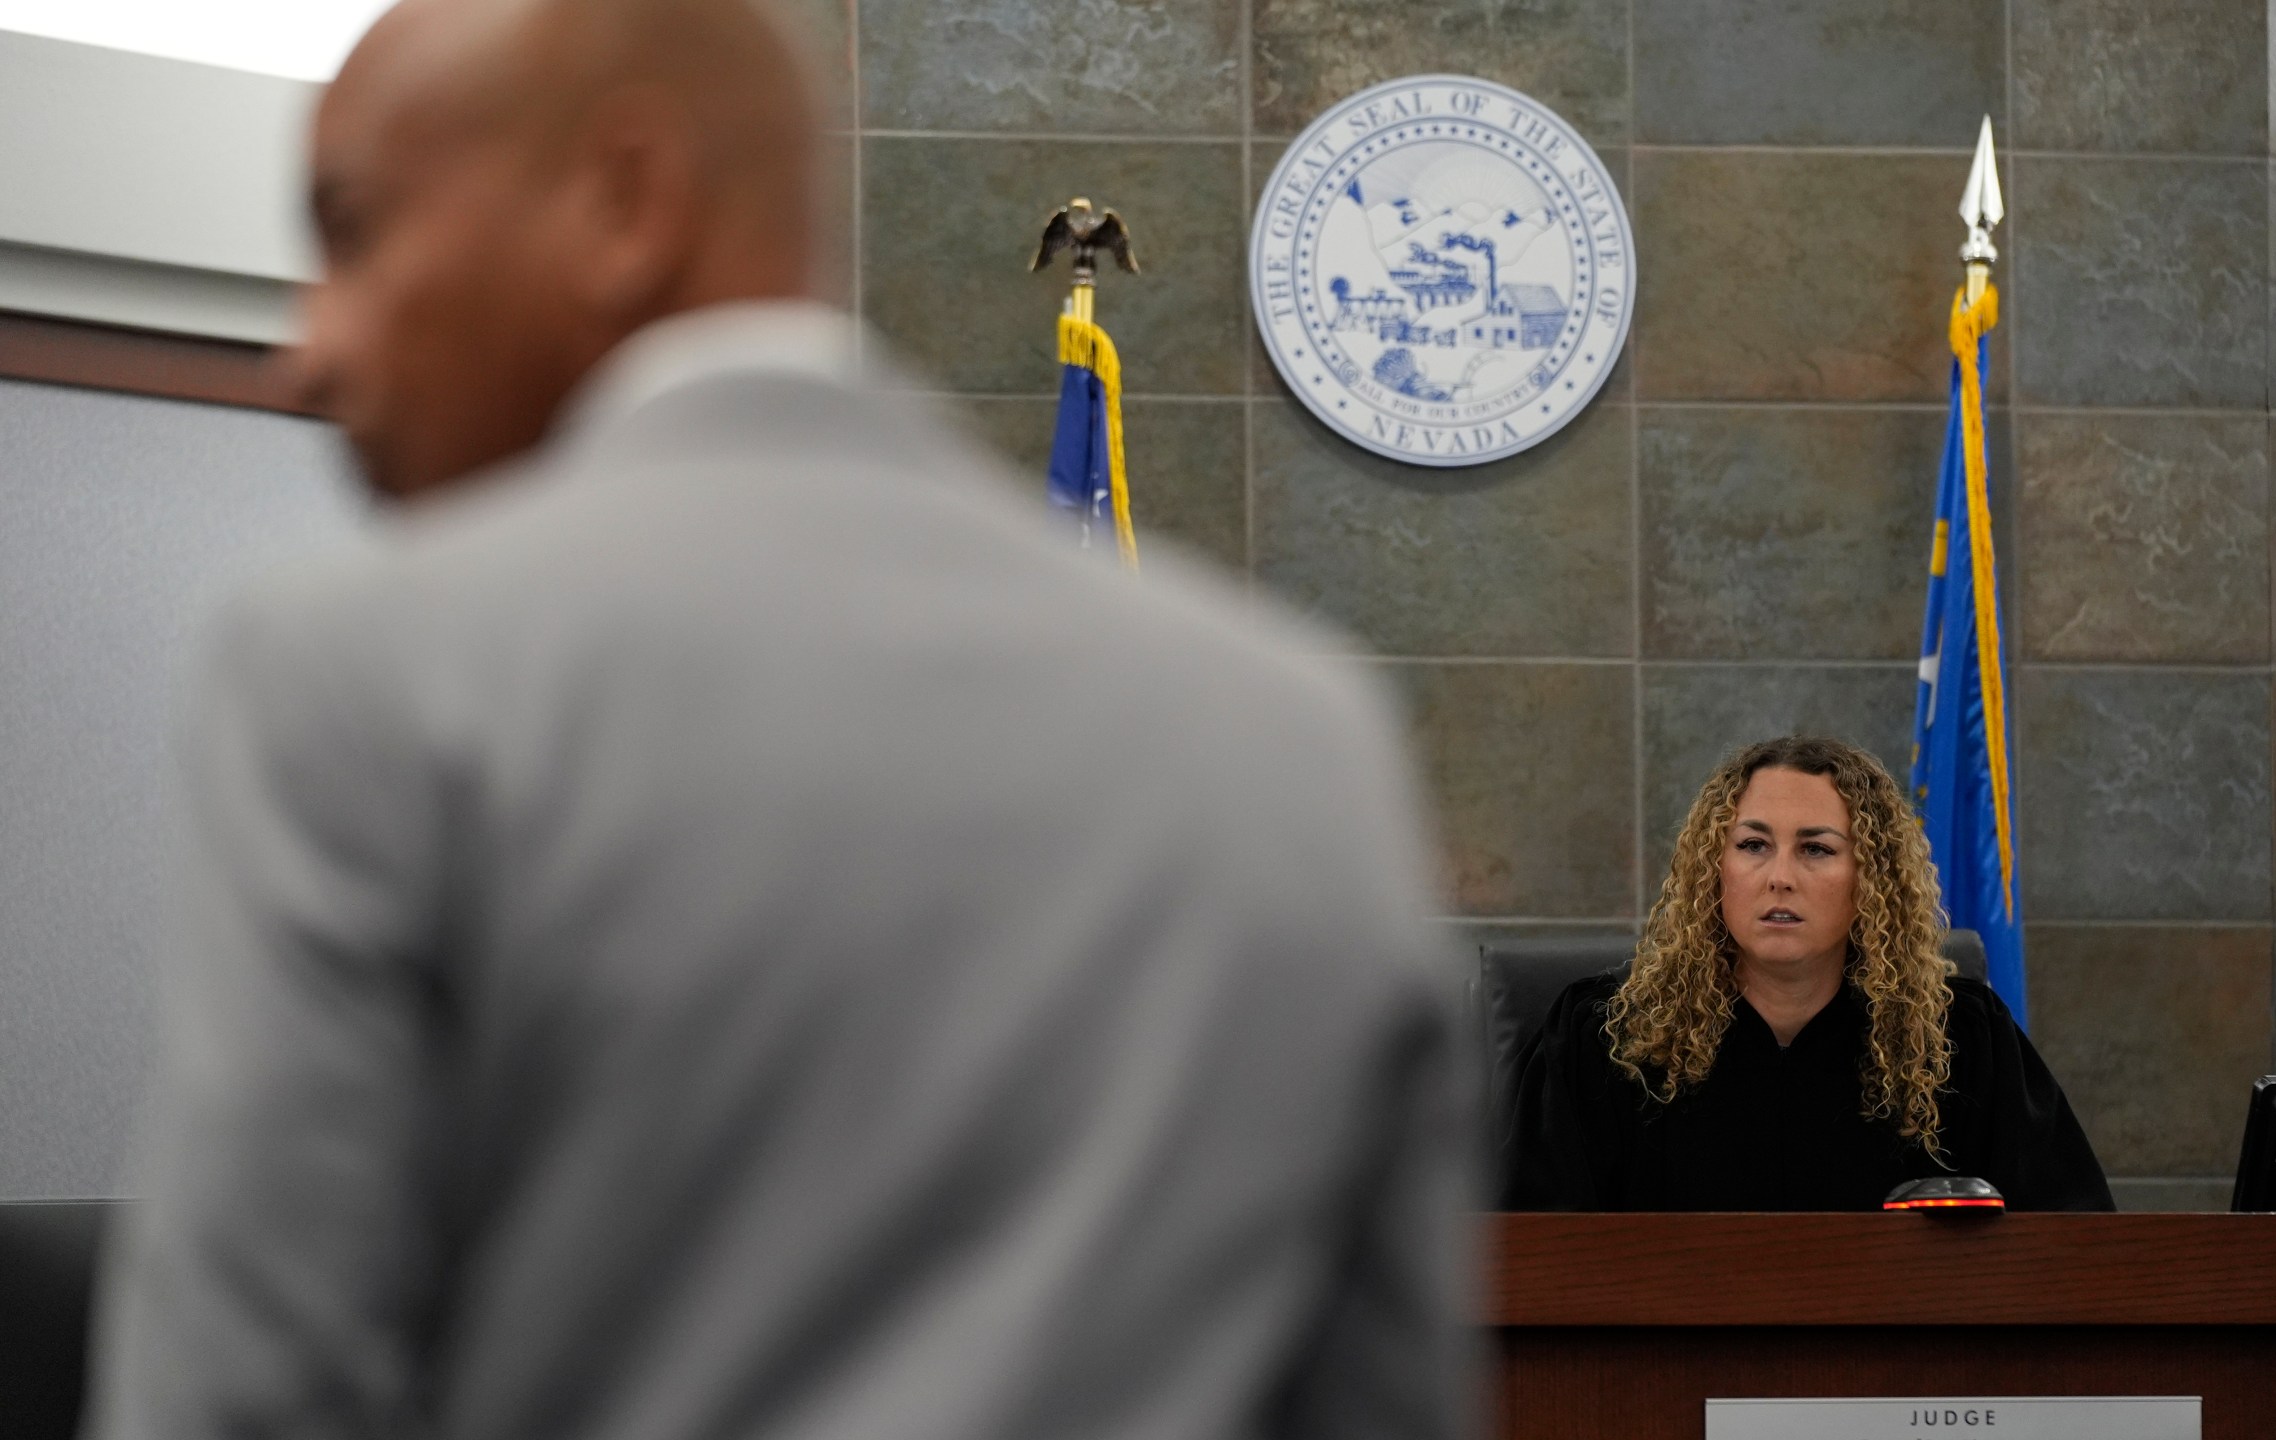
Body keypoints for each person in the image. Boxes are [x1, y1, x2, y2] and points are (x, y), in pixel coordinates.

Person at [85, 2, 1477, 1437]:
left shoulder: (361, 679)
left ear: (627, 200)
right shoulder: (1301, 734)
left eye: (353, 232)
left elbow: (241, 1399)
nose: (305, 353)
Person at [1504, 736, 2111, 1212]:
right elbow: (1517, 1259)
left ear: (1869, 879)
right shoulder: (1604, 1038)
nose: (1779, 877)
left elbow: (2068, 1247)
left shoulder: (1958, 1040)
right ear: (1713, 869)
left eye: (1816, 849)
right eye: (1752, 845)